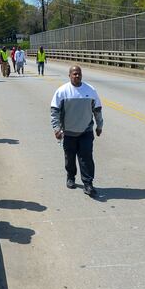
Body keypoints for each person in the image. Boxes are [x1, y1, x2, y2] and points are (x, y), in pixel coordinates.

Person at [50, 66, 103, 197]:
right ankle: (71, 177)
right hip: (68, 132)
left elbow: (97, 109)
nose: (77, 76)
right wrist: (57, 128)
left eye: (79, 74)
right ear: (69, 75)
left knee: (86, 158)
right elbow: (54, 111)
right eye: (74, 74)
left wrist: (99, 125)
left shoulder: (90, 90)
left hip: (86, 131)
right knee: (70, 158)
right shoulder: (62, 91)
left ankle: (88, 184)